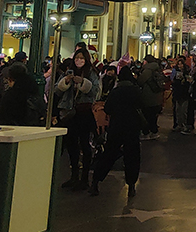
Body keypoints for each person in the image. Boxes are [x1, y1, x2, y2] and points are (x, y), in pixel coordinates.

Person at [89, 68, 143, 197]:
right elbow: (143, 106)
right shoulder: (136, 91)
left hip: (116, 127)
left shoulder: (115, 92)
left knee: (109, 154)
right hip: (132, 127)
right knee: (132, 157)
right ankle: (131, 185)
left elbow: (108, 109)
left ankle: (96, 181)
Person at [56, 49, 100, 189]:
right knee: (71, 145)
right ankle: (74, 175)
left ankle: (84, 178)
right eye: (77, 58)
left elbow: (95, 91)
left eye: (81, 58)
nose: (78, 60)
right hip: (70, 113)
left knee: (84, 144)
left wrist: (83, 83)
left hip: (83, 112)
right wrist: (65, 81)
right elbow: (57, 90)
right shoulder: (68, 72)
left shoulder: (91, 73)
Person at [137, 55, 166, 141]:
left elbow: (140, 81)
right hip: (157, 96)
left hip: (148, 97)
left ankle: (146, 133)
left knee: (146, 115)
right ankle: (154, 132)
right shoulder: (157, 68)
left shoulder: (147, 70)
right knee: (153, 116)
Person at [171, 59, 189, 131]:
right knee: (178, 110)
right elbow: (173, 81)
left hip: (184, 94)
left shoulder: (186, 72)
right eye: (179, 64)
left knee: (183, 111)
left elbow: (188, 82)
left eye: (181, 64)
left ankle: (184, 124)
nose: (180, 65)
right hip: (177, 93)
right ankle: (179, 124)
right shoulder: (175, 72)